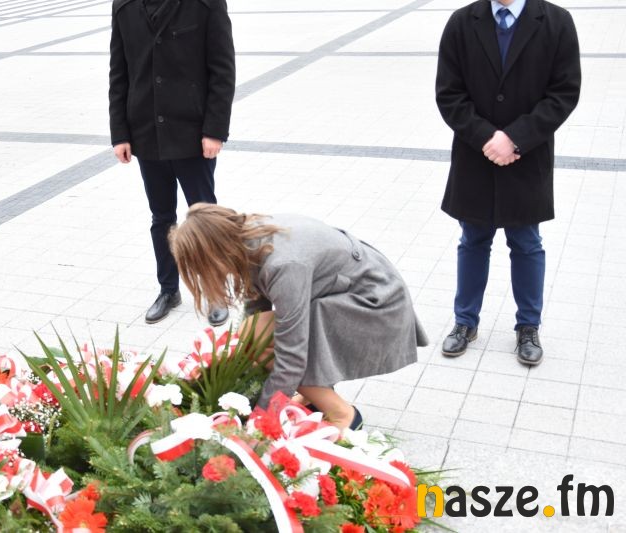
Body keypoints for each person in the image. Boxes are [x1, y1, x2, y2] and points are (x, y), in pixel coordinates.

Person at [169, 204, 428, 429]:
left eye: (200, 268)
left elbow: (291, 356)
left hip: (375, 307)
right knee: (254, 334)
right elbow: (256, 308)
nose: (202, 276)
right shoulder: (246, 236)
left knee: (259, 336)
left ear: (214, 254)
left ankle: (344, 415)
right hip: (350, 295)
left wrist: (261, 420)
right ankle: (313, 396)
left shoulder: (283, 264)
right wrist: (242, 370)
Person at [435, 0, 581, 365]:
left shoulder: (557, 21)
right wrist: (487, 137)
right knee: (473, 239)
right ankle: (465, 322)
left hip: (526, 155)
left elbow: (564, 93)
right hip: (476, 153)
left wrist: (515, 138)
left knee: (526, 242)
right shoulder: (461, 22)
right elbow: (449, 93)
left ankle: (528, 326)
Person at [108, 0, 236, 326]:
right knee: (161, 217)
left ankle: (215, 291)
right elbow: (119, 74)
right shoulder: (124, 7)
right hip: (147, 133)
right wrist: (120, 133)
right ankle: (169, 289)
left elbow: (223, 70)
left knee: (204, 217)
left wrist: (214, 130)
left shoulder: (206, 4)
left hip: (193, 135)